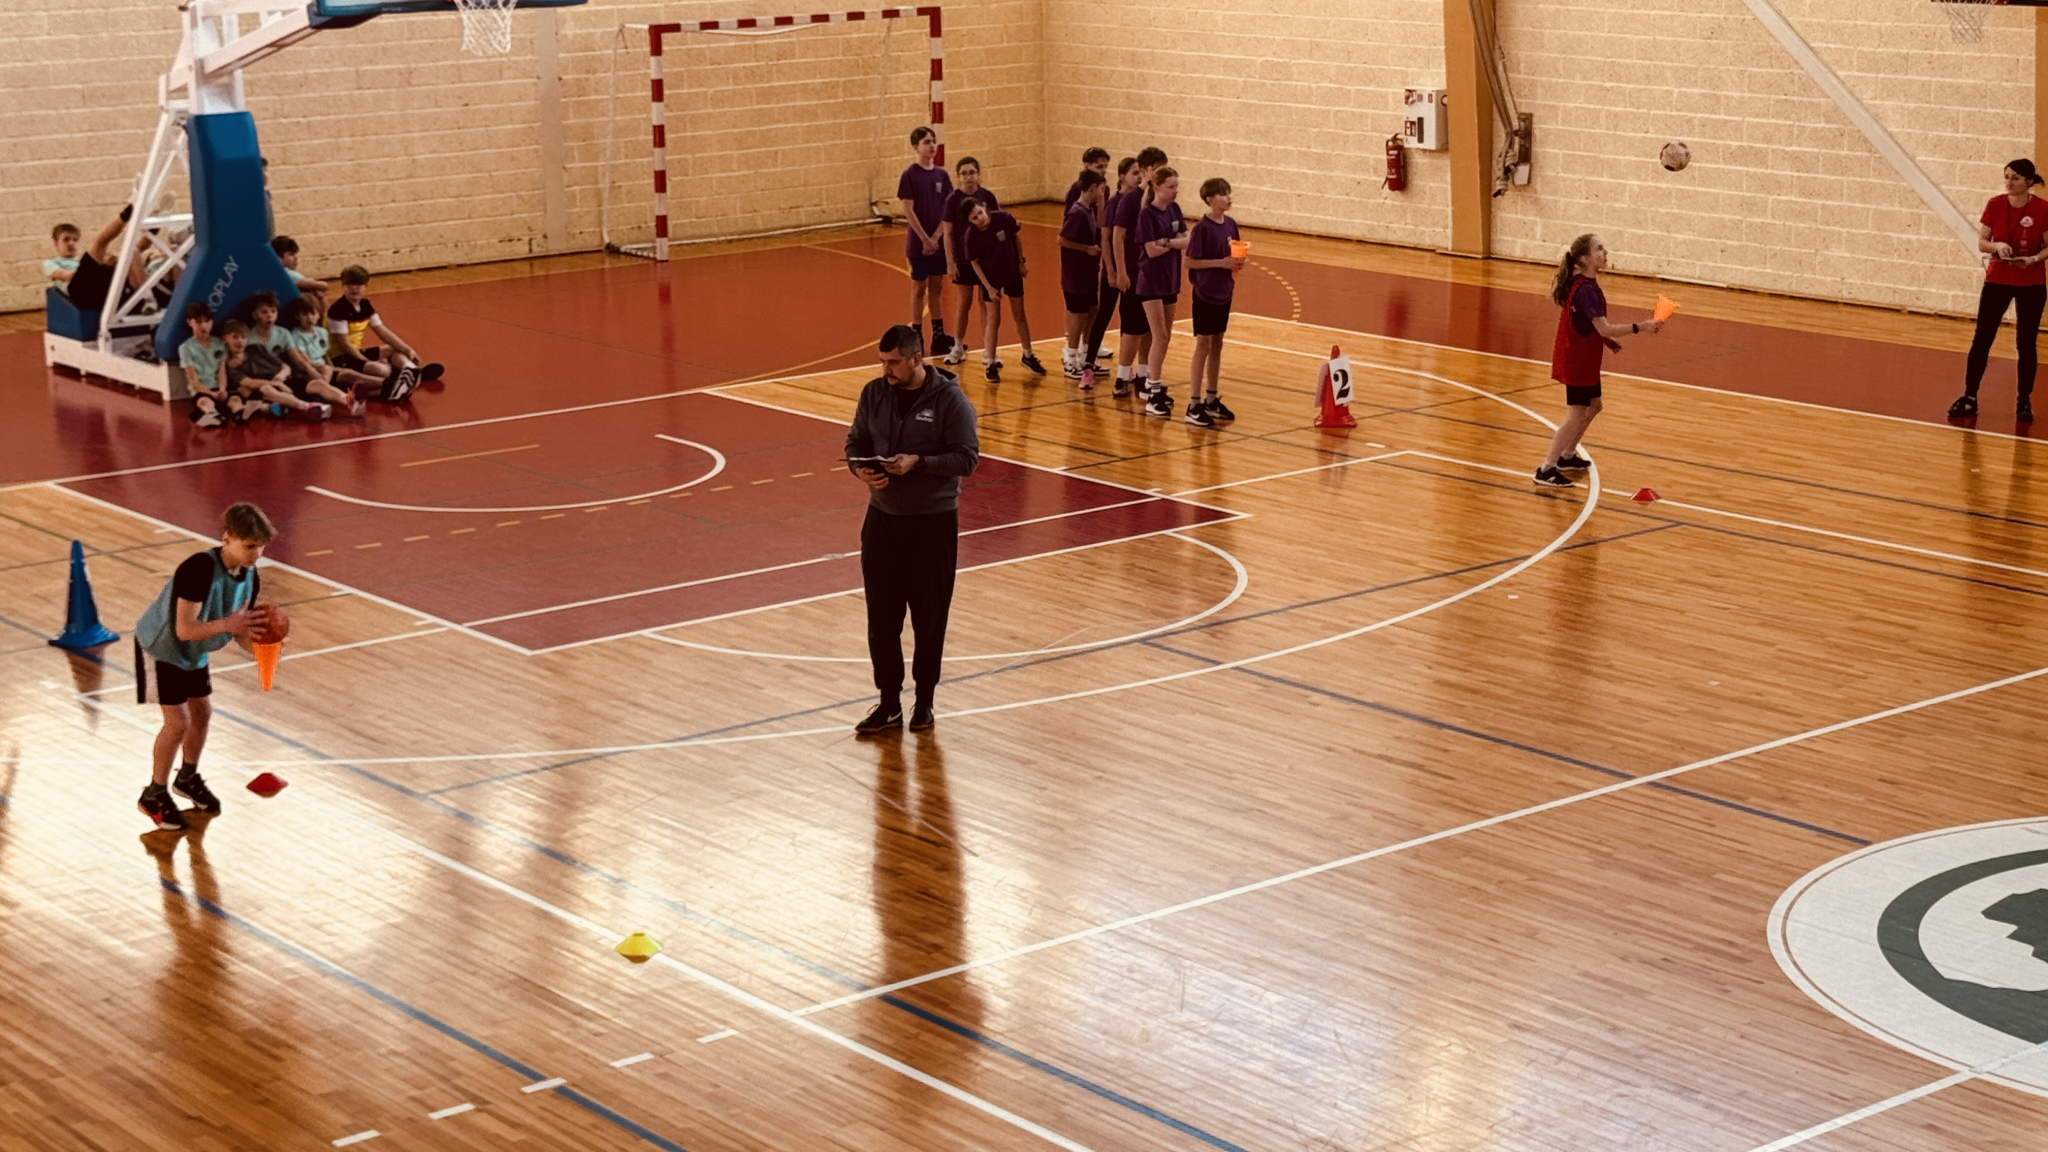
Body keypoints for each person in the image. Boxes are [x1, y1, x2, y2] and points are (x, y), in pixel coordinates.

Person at [845, 325, 980, 735]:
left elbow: (967, 459)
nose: (886, 370)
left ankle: (925, 702)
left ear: (917, 359)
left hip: (932, 524)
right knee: (882, 617)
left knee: (929, 616)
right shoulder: (873, 393)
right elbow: (855, 443)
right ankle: (889, 703)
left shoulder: (950, 400)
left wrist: (919, 462)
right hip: (882, 522)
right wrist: (860, 470)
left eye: (893, 362)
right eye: (882, 362)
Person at [133, 502, 275, 831]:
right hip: (163, 647)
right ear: (227, 538)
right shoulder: (198, 569)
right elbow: (184, 628)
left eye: (261, 546)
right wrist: (228, 624)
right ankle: (153, 794)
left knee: (202, 713)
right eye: (249, 546)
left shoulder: (250, 578)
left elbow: (238, 630)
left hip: (195, 651)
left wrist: (265, 643)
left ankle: (187, 777)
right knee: (177, 723)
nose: (256, 554)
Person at [1536, 233, 1661, 488]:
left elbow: (1590, 325)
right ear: (1585, 258)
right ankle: (1546, 468)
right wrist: (1641, 326)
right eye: (1599, 249)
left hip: (1585, 359)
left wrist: (1605, 340)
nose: (1605, 253)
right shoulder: (1585, 291)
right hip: (1577, 362)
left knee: (1594, 406)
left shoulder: (1585, 285)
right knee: (1576, 414)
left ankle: (1567, 455)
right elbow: (1604, 327)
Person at [1952, 159, 2048, 423]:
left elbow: (2047, 246)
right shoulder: (1995, 205)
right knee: (1982, 338)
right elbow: (1983, 242)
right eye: (2006, 177)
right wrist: (1998, 246)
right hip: (1998, 280)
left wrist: (2034, 259)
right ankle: (1970, 396)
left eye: (2015, 178)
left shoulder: (2042, 209)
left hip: (2031, 283)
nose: (2009, 182)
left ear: (2029, 181)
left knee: (2026, 343)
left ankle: (2023, 400)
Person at [1183, 177, 1246, 427]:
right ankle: (1193, 403)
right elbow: (1189, 262)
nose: (1229, 197)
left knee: (1218, 344)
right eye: (1223, 194)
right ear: (1210, 200)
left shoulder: (1230, 224)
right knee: (1204, 345)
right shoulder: (1202, 228)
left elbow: (1233, 254)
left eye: (1229, 193)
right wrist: (1221, 263)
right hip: (1205, 293)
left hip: (1224, 291)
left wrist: (1236, 263)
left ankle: (1211, 398)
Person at [327, 265, 441, 402]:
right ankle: (400, 378)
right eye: (350, 284)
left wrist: (408, 350)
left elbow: (383, 332)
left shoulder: (365, 305)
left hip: (357, 352)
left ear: (365, 286)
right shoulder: (338, 309)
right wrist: (366, 361)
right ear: (343, 285)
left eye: (359, 284)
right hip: (342, 357)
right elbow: (345, 345)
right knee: (382, 370)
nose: (354, 288)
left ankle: (413, 371)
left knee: (393, 350)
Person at [964, 201, 1044, 381]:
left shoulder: (1003, 218)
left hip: (1012, 273)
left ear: (984, 208)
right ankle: (990, 362)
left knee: (1019, 314)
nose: (980, 219)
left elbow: (1016, 238)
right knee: (993, 319)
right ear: (970, 221)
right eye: (975, 218)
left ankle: (1028, 355)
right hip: (991, 279)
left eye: (980, 213)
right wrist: (988, 287)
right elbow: (975, 263)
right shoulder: (971, 237)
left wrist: (1021, 262)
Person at [1133, 166, 1190, 420]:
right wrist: (1173, 242)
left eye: (1177, 186)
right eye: (1170, 187)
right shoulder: (1147, 214)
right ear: (1157, 187)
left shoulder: (1175, 209)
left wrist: (1167, 242)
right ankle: (1152, 390)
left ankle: (1151, 383)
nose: (1175, 191)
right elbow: (1151, 250)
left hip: (1170, 280)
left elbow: (1187, 239)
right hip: (1151, 282)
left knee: (1166, 336)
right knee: (1159, 335)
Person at [1112, 147, 1167, 399]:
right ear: (1145, 170)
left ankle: (1144, 375)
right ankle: (1121, 377)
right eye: (1157, 168)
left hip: (1153, 275)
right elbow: (1117, 235)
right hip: (1134, 272)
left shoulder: (1162, 200)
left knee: (1149, 329)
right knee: (1132, 328)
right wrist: (1120, 271)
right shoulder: (1131, 198)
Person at [896, 126, 953, 355]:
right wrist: (924, 239)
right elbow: (908, 210)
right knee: (919, 288)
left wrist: (937, 237)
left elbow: (947, 210)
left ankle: (938, 335)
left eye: (933, 141)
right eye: (926, 142)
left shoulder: (942, 175)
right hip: (918, 245)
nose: (932, 145)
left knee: (936, 287)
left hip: (937, 243)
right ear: (915, 147)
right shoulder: (909, 175)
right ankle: (916, 334)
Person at [1084, 157, 1141, 377]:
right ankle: (1088, 366)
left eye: (1140, 172)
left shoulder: (1140, 201)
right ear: (1122, 177)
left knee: (1129, 318)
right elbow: (1106, 238)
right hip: (1114, 271)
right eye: (1134, 173)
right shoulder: (1115, 202)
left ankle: (1125, 369)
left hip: (1132, 271)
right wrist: (1110, 270)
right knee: (1104, 315)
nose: (1139, 177)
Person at [939, 156, 998, 367]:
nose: (968, 177)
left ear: (978, 174)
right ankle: (958, 347)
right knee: (964, 302)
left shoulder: (987, 197)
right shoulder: (952, 200)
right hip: (963, 259)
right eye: (963, 173)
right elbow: (947, 233)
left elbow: (995, 225)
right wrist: (950, 262)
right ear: (958, 177)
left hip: (986, 259)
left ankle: (989, 350)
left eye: (971, 172)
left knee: (986, 303)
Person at [223, 318, 334, 421]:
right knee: (266, 389)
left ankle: (343, 399)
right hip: (272, 389)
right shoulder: (230, 365)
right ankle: (307, 407)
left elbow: (285, 367)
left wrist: (280, 377)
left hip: (286, 381)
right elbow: (248, 382)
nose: (240, 341)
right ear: (225, 339)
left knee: (317, 384)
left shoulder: (257, 348)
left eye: (243, 337)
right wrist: (276, 384)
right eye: (235, 337)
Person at [1058, 169, 1108, 385]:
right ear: (1092, 188)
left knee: (1092, 311)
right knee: (1078, 316)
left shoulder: (1089, 210)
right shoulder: (1077, 212)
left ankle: (1087, 356)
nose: (1102, 193)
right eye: (1101, 189)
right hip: (1075, 275)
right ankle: (1071, 358)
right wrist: (1086, 249)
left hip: (1088, 274)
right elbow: (1062, 239)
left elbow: (1100, 225)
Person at [177, 303, 246, 428]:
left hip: (219, 388)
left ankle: (239, 413)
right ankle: (212, 415)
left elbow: (221, 371)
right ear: (189, 322)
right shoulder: (186, 348)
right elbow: (193, 381)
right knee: (205, 402)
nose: (204, 326)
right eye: (199, 322)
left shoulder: (219, 343)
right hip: (202, 390)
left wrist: (222, 390)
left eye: (207, 321)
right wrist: (211, 394)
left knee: (235, 399)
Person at [270, 236, 329, 305]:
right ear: (279, 258)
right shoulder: (287, 273)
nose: (296, 258)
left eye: (295, 254)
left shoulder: (276, 271)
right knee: (318, 293)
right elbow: (324, 286)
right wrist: (313, 283)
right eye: (291, 254)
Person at [45, 224, 81, 295]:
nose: (71, 243)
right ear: (56, 243)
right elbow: (64, 275)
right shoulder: (50, 263)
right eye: (66, 240)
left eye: (75, 240)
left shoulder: (80, 262)